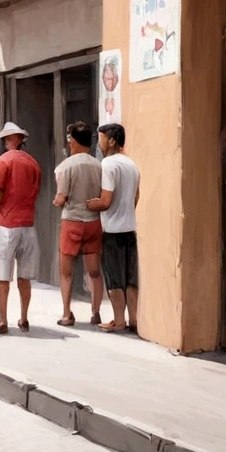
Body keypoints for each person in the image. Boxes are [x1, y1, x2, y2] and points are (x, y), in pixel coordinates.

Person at [0, 121, 42, 334]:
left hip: (7, 225)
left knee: (3, 276)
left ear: (10, 140)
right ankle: (24, 318)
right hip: (28, 226)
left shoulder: (3, 162)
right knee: (24, 277)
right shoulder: (34, 164)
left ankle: (3, 320)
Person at [87, 123, 140, 334]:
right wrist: (126, 210)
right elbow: (136, 196)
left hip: (113, 231)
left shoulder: (108, 164)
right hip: (130, 229)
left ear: (112, 140)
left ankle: (118, 321)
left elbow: (106, 200)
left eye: (100, 139)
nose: (98, 144)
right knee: (130, 277)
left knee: (114, 277)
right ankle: (133, 320)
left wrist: (92, 204)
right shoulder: (132, 165)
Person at [53, 121, 105, 327]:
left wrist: (57, 200)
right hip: (93, 221)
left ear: (72, 141)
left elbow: (61, 197)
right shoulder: (99, 166)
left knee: (66, 272)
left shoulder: (66, 166)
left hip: (72, 221)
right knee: (94, 271)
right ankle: (96, 311)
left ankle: (67, 314)